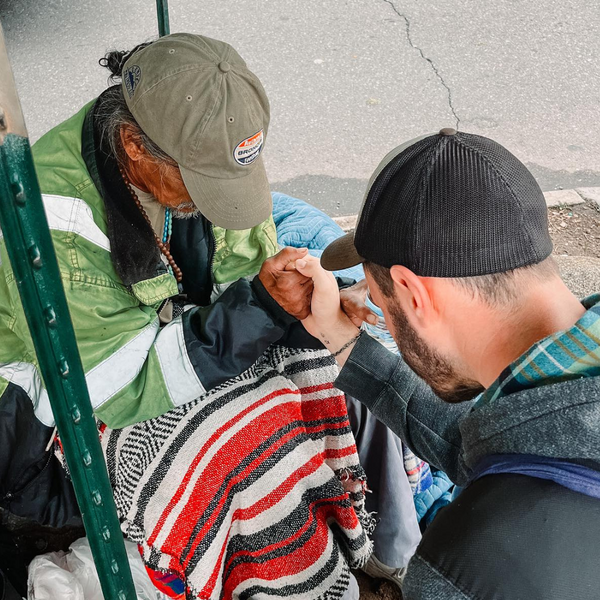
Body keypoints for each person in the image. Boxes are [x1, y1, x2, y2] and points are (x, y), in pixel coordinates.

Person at [0, 33, 420, 598]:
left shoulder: (210, 144)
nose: (215, 202)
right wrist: (263, 308)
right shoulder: (58, 226)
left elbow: (245, 267)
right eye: (201, 187)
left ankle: (378, 559)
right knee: (243, 455)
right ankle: (301, 583)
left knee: (348, 376)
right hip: (69, 403)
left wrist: (302, 307)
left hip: (175, 344)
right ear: (133, 146)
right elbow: (121, 388)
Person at [291, 128, 600, 599]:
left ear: (413, 295)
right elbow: (504, 446)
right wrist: (340, 338)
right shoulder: (555, 432)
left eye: (378, 304)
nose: (384, 325)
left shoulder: (466, 569)